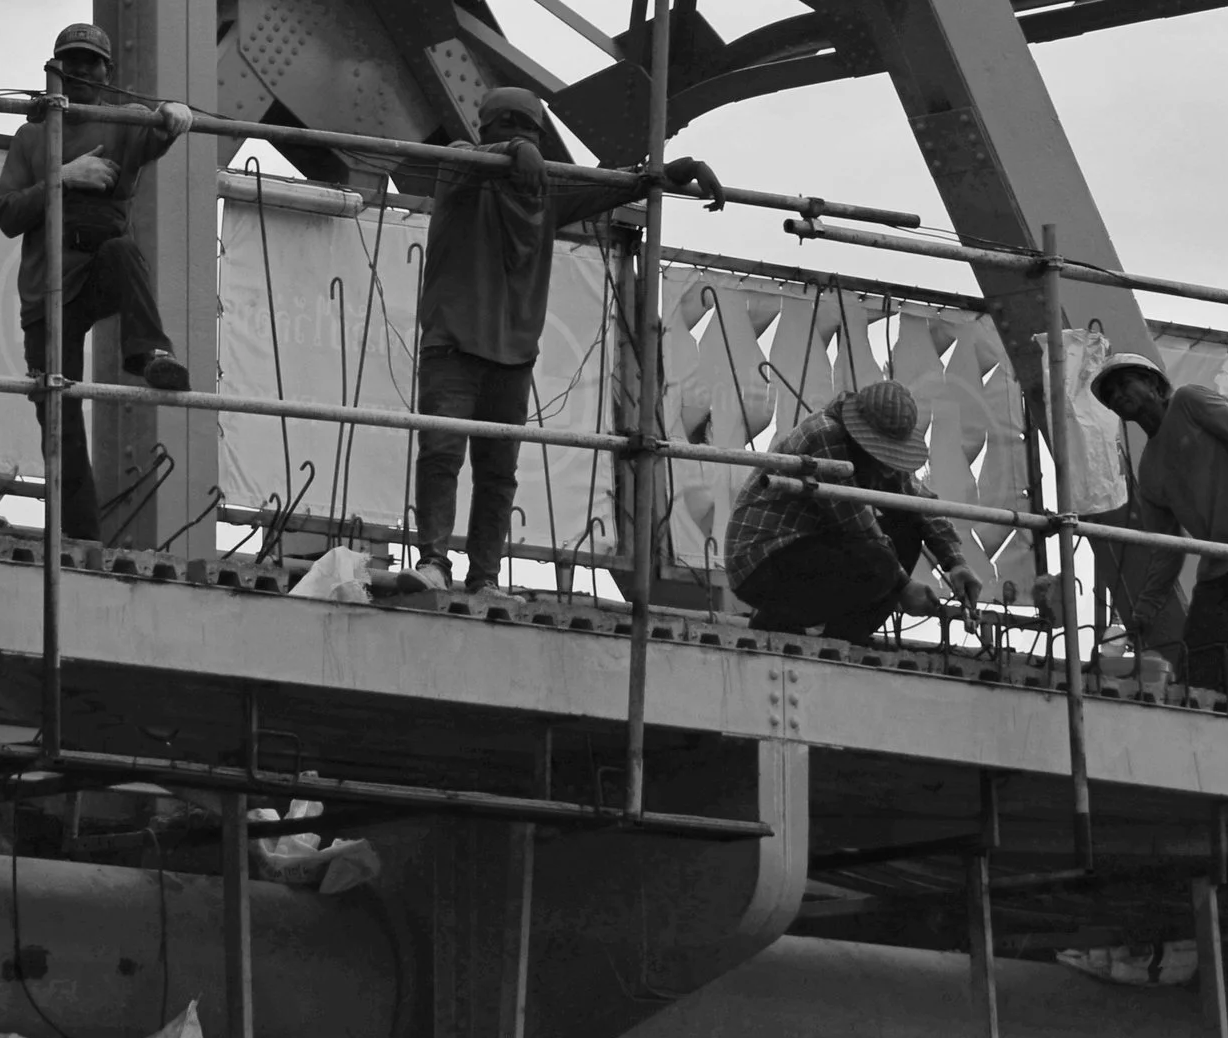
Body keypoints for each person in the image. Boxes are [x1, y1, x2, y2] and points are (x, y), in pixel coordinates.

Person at [406, 85, 723, 601]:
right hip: (454, 347)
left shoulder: (544, 197)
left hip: (511, 358)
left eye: (528, 132)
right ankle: (434, 562)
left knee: (496, 473)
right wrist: (514, 151)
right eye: (515, 129)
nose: (523, 139)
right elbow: (463, 158)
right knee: (443, 453)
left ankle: (483, 577)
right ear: (492, 132)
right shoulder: (462, 170)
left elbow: (615, 187)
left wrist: (670, 172)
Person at [0, 23, 195, 543]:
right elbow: (7, 213)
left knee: (123, 251)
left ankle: (150, 354)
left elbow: (164, 126)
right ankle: (80, 541)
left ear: (108, 72)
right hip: (46, 292)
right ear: (55, 70)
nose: (81, 70)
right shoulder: (32, 137)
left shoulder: (125, 123)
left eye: (91, 62)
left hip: (95, 272)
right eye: (72, 61)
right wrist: (64, 176)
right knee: (59, 419)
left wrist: (176, 113)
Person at [1090, 351, 1228, 698]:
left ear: (1153, 384)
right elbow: (1167, 548)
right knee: (1200, 665)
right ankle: (1215, 720)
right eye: (1110, 394)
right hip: (1221, 560)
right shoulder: (1150, 470)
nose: (1117, 396)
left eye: (1124, 384)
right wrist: (1146, 607)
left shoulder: (1189, 402)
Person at [725, 380, 985, 638]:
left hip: (806, 548)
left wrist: (955, 562)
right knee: (878, 563)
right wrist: (904, 585)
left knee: (906, 528)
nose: (887, 468)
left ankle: (846, 637)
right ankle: (779, 618)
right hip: (761, 561)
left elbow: (920, 504)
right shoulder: (825, 435)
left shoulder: (878, 458)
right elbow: (856, 524)